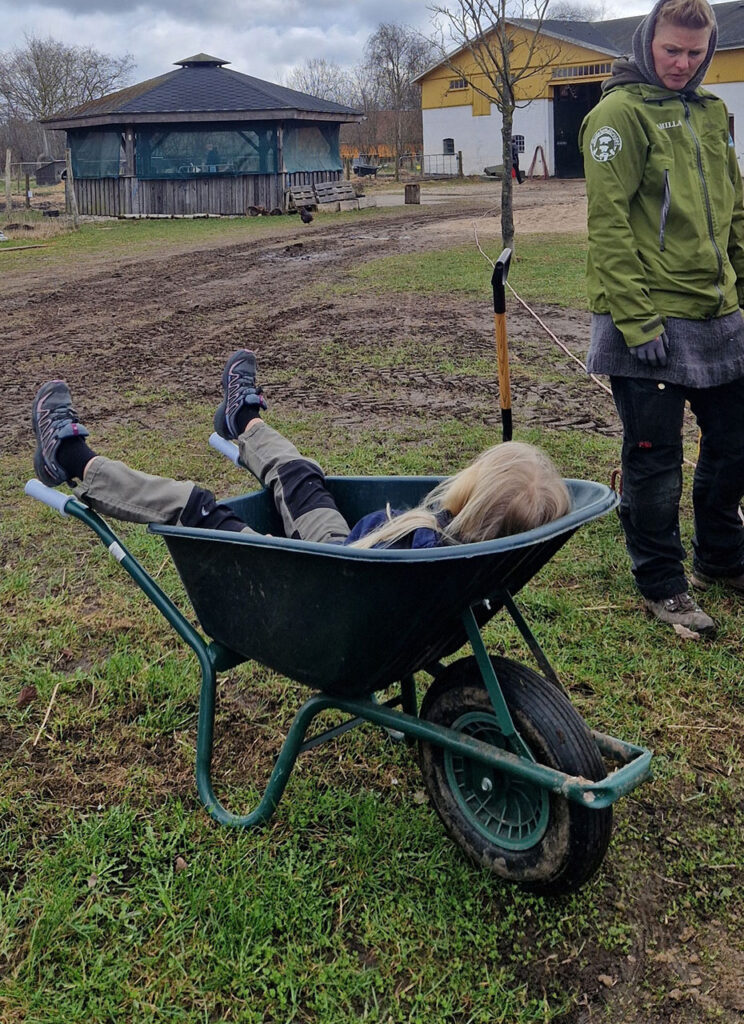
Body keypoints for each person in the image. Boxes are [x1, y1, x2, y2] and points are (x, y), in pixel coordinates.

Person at [31, 351, 571, 549]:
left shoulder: (422, 538)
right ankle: (242, 419)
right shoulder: (470, 559)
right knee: (301, 476)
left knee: (196, 506)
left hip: (315, 584)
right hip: (346, 560)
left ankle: (71, 459)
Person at [579, 0, 744, 637]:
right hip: (645, 316)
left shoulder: (712, 112)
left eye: (695, 53)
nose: (682, 63)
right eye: (671, 49)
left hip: (716, 312)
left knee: (735, 440)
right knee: (654, 459)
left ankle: (721, 557)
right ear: (648, 41)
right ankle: (662, 584)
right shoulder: (617, 115)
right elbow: (609, 225)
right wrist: (637, 320)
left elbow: (733, 209)